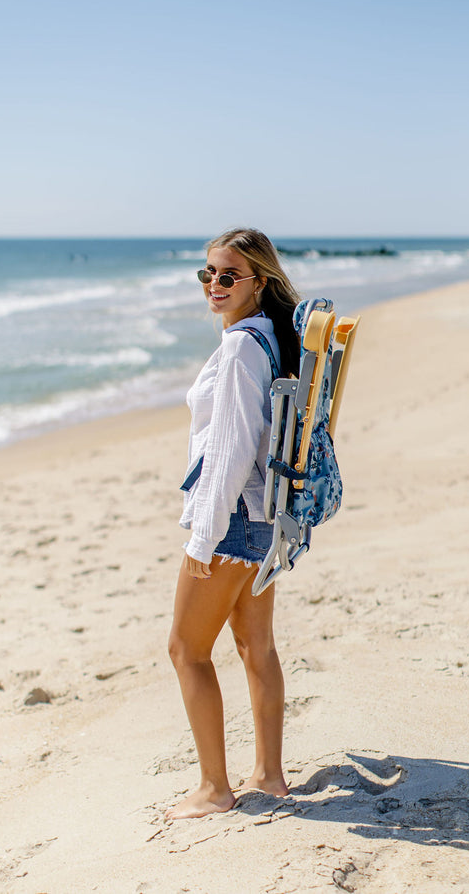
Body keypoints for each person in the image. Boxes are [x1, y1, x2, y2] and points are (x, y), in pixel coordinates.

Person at [166, 228, 300, 820]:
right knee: (255, 645)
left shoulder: (242, 348)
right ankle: (268, 776)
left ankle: (215, 789)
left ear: (259, 282)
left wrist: (203, 536)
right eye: (208, 275)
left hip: (233, 521)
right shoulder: (270, 336)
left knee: (185, 651)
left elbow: (228, 451)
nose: (214, 285)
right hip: (263, 520)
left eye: (228, 276)